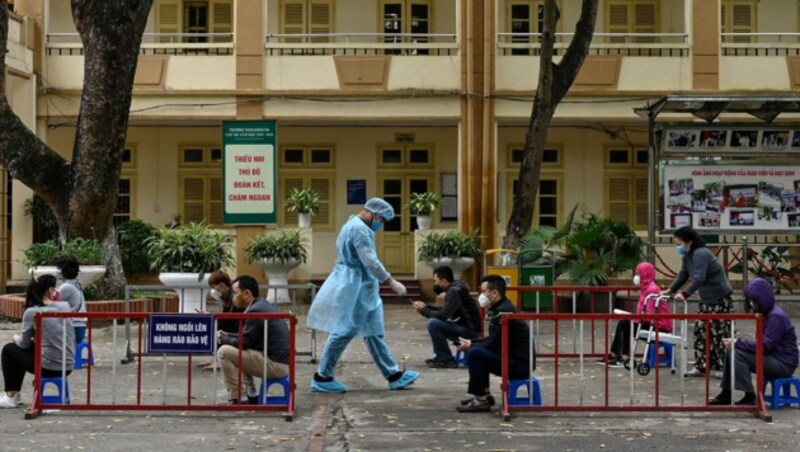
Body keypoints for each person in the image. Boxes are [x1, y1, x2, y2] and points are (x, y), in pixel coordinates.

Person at [307, 197, 419, 393]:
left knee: (374, 330)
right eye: (381, 220)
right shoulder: (359, 229)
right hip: (356, 286)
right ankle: (322, 376)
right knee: (345, 329)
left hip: (363, 286)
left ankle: (393, 374)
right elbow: (370, 261)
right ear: (374, 213)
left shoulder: (352, 224)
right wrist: (390, 282)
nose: (380, 224)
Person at [709, 278, 798, 405]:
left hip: (783, 362)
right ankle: (726, 393)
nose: (751, 305)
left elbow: (766, 346)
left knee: (737, 354)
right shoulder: (768, 314)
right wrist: (737, 344)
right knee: (731, 352)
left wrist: (738, 343)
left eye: (753, 301)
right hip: (774, 357)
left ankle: (749, 395)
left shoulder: (776, 317)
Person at [455, 275, 534, 413]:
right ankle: (484, 395)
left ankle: (481, 400)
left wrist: (471, 346)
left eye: (484, 291)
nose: (481, 295)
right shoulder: (500, 308)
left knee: (475, 353)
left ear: (495, 293)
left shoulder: (503, 311)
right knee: (477, 351)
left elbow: (492, 344)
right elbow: (494, 339)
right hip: (512, 358)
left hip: (519, 364)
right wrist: (472, 342)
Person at [662, 226, 733, 377]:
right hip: (706, 300)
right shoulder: (687, 256)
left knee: (719, 333)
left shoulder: (701, 254)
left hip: (719, 298)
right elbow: (683, 275)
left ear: (689, 242)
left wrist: (685, 294)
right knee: (701, 332)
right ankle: (701, 366)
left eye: (679, 243)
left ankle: (722, 367)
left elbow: (699, 277)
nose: (678, 247)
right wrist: (670, 290)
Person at [0, 275, 75, 408]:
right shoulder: (65, 306)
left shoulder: (32, 312)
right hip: (67, 364)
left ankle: (11, 395)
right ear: (50, 290)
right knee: (21, 350)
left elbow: (23, 343)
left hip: (47, 367)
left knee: (9, 349)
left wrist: (16, 337)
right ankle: (13, 394)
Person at [216, 275, 290, 405]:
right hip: (279, 361)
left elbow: (244, 342)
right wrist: (228, 335)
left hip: (275, 365)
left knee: (224, 352)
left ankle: (237, 396)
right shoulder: (259, 304)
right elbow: (247, 337)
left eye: (236, 292)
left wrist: (223, 338)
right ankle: (251, 392)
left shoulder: (256, 310)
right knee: (237, 351)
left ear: (246, 293)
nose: (233, 296)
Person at [599, 262, 672, 367]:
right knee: (625, 323)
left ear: (645, 274)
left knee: (625, 324)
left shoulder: (652, 289)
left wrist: (634, 318)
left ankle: (622, 356)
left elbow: (649, 315)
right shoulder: (645, 288)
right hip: (651, 324)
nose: (636, 277)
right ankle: (617, 354)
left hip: (659, 327)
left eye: (639, 273)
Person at [412, 266, 481, 368]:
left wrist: (423, 311)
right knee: (434, 323)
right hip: (465, 326)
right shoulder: (456, 288)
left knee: (433, 323)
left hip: (469, 331)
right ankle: (442, 356)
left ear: (443, 281)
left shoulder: (454, 291)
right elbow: (444, 309)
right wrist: (426, 307)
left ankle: (445, 359)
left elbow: (442, 316)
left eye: (436, 281)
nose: (435, 284)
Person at [204, 270, 245, 371]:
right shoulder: (225, 296)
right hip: (234, 323)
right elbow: (225, 315)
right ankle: (217, 358)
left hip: (239, 325)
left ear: (222, 285)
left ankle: (219, 360)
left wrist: (213, 316)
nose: (214, 290)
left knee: (215, 324)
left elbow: (231, 316)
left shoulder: (233, 295)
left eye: (214, 287)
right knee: (213, 322)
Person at [55, 256, 87, 344]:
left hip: (73, 326)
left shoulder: (66, 287)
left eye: (59, 268)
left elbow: (51, 302)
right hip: (79, 325)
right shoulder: (76, 284)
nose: (57, 271)